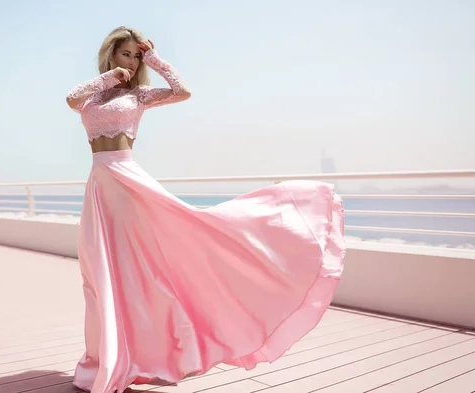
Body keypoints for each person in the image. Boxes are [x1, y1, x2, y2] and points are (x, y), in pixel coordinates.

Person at [66, 26, 346, 393]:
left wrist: (154, 59)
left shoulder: (140, 96)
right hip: (100, 185)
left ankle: (139, 356)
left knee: (140, 271)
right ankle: (105, 358)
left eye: (136, 55)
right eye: (127, 54)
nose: (132, 62)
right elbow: (71, 99)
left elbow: (182, 91)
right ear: (111, 54)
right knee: (100, 276)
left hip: (128, 182)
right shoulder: (92, 96)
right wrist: (108, 77)